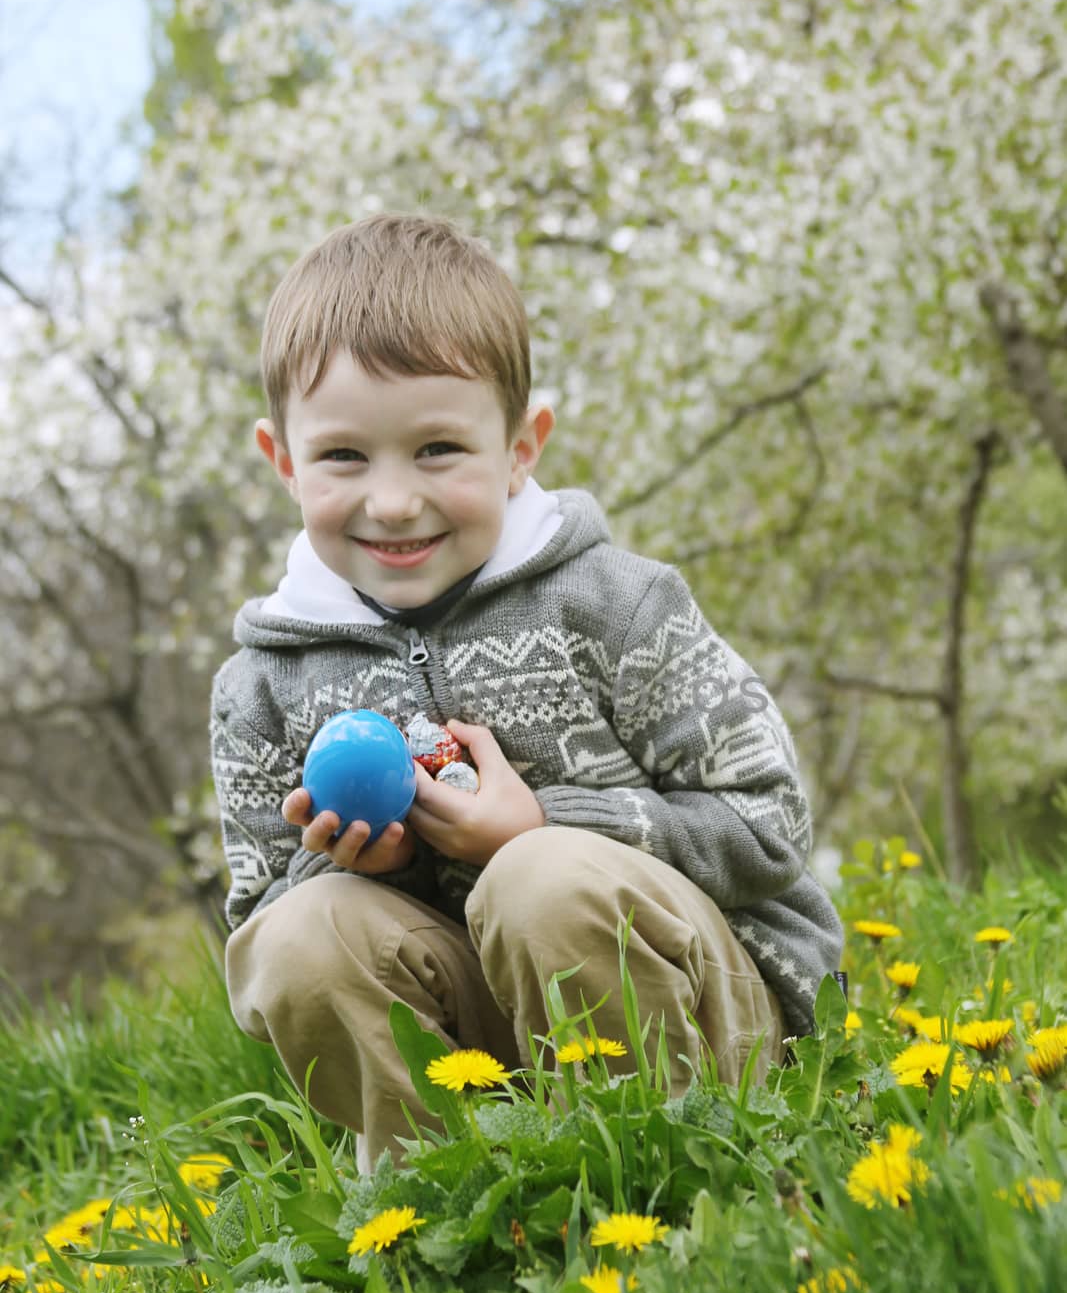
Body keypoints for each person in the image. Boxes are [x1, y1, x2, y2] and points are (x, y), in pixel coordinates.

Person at [210, 213, 844, 1168]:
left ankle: (667, 1162)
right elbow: (258, 929)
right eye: (344, 456)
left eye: (437, 450)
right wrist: (356, 868)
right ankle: (453, 1196)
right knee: (301, 937)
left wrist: (540, 823)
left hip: (703, 1014)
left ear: (520, 445)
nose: (391, 501)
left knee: (539, 877)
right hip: (487, 1040)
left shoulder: (614, 603)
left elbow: (768, 823)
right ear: (284, 461)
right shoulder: (261, 685)